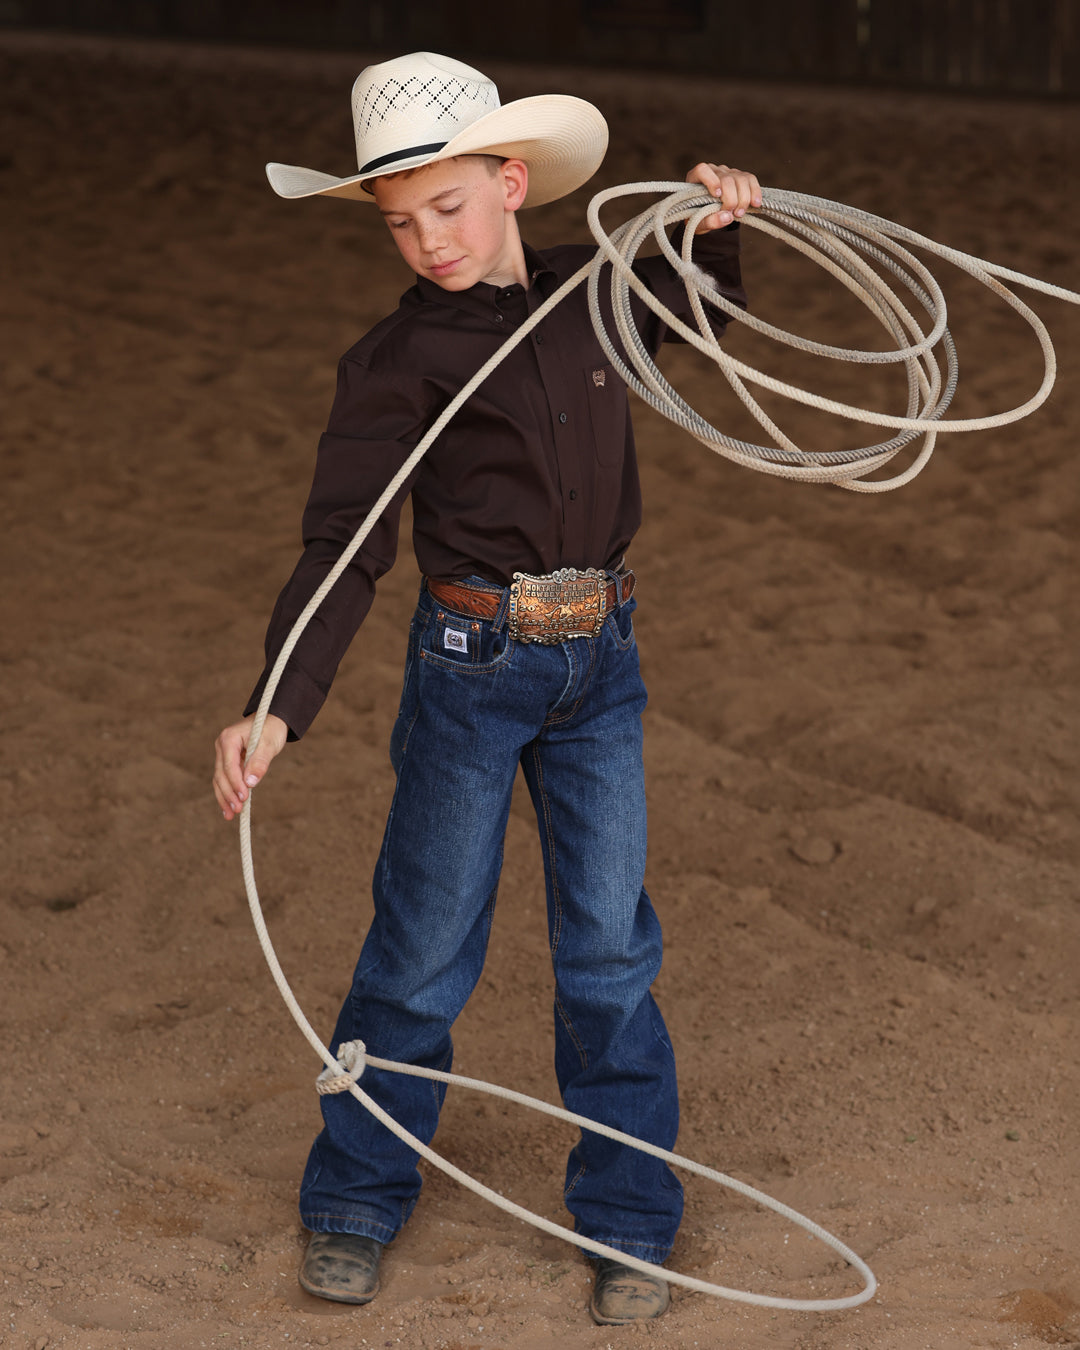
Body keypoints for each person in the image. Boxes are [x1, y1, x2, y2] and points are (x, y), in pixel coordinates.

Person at [212, 50, 759, 1326]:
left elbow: (699, 319)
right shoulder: (394, 363)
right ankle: (353, 1198)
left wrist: (719, 229)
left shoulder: (596, 297)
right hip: (472, 667)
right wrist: (277, 704)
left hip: (600, 664)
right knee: (419, 949)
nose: (429, 242)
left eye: (448, 209)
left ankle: (629, 1223)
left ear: (513, 182)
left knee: (610, 951)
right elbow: (343, 543)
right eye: (401, 225)